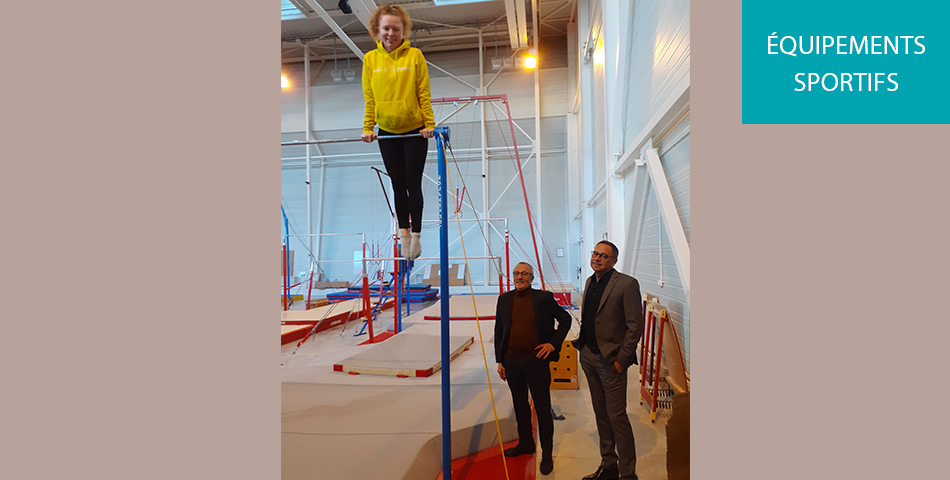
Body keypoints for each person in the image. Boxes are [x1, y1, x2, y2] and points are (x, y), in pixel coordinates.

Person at [361, 4, 435, 261]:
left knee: (413, 183)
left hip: (414, 130)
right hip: (387, 132)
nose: (391, 33)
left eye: (396, 28)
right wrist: (368, 128)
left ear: (404, 30)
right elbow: (369, 98)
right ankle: (403, 233)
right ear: (377, 30)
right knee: (397, 184)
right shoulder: (370, 60)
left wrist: (429, 124)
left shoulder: (414, 56)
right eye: (386, 28)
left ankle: (417, 234)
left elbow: (423, 92)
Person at [494, 262, 573, 476]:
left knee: (542, 407)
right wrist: (500, 360)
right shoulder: (504, 299)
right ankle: (526, 444)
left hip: (536, 361)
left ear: (532, 278)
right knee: (520, 406)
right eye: (517, 273)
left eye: (524, 274)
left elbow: (565, 319)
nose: (520, 277)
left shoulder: (543, 298)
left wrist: (553, 344)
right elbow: (499, 330)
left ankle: (546, 453)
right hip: (512, 361)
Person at [575, 241, 643, 480]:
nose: (597, 258)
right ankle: (609, 465)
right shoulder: (590, 281)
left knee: (617, 417)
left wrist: (621, 361)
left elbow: (635, 327)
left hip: (610, 361)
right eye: (595, 253)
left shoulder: (626, 284)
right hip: (589, 357)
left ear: (614, 261)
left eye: (604, 256)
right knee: (600, 414)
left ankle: (628, 474)